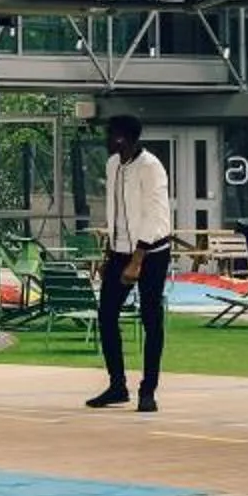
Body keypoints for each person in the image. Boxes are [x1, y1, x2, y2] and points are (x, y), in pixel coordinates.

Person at [89, 114, 176, 414]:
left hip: (151, 252)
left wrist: (137, 260)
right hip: (120, 251)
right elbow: (115, 213)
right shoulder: (113, 164)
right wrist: (110, 254)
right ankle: (117, 386)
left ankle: (148, 390)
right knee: (106, 315)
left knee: (151, 319)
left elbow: (154, 215)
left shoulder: (151, 167)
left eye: (109, 134)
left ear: (122, 138)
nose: (105, 138)